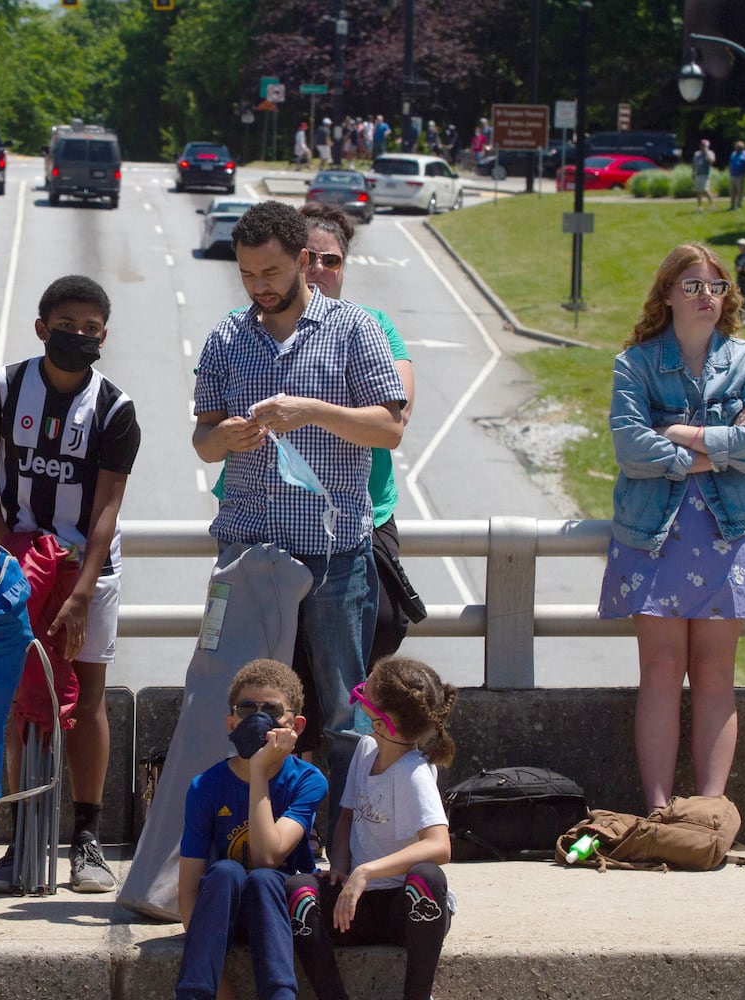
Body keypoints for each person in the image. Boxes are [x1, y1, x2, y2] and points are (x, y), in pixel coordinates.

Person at [192, 200, 406, 844]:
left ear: (305, 263)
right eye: (248, 274)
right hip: (248, 551)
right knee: (239, 708)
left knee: (343, 714)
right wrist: (226, 436)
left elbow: (390, 428)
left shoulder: (354, 329)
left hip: (335, 556)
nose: (260, 286)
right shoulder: (227, 337)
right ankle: (240, 840)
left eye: (273, 272)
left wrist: (311, 410)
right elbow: (201, 441)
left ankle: (342, 846)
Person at [0, 275, 141, 894]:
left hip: (91, 566)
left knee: (87, 695)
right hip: (22, 561)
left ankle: (86, 838)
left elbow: (106, 510)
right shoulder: (3, 388)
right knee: (21, 700)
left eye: (91, 330)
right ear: (41, 328)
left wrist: (82, 591)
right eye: (67, 326)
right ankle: (19, 837)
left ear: (104, 338)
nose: (78, 337)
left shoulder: (116, 410)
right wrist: (8, 541)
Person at [598, 242, 745, 811]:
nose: (707, 297)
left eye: (717, 287)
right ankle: (655, 810)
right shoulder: (636, 363)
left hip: (726, 534)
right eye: (694, 286)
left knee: (714, 670)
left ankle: (708, 811)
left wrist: (680, 435)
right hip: (655, 534)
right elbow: (630, 448)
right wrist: (717, 449)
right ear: (668, 294)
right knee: (662, 668)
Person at [287, 203, 422, 774]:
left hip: (359, 512)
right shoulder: (257, 328)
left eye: (332, 261)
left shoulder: (373, 328)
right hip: (280, 512)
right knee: (288, 645)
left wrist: (311, 409)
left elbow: (394, 416)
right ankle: (299, 769)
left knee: (384, 620)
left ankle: (334, 759)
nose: (320, 270)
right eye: (309, 259)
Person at [285, 656, 457, 1000]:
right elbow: (347, 816)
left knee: (428, 877)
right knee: (298, 891)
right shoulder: (366, 749)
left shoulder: (413, 772)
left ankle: (417, 995)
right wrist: (340, 866)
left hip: (404, 909)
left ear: (383, 721)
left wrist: (366, 871)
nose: (358, 702)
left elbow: (440, 846)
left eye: (365, 697)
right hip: (356, 903)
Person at [175, 658, 325, 1000]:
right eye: (247, 708)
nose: (258, 719)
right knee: (226, 871)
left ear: (296, 726)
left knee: (263, 878)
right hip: (222, 913)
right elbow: (187, 892)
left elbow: (267, 856)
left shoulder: (307, 780)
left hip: (281, 915)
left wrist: (259, 771)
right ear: (231, 722)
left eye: (271, 710)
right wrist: (223, 992)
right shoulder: (204, 787)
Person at [728, 140, 745, 211]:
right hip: (733, 175)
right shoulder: (733, 153)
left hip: (741, 176)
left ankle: (738, 205)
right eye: (736, 147)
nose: (736, 148)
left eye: (738, 147)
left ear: (742, 148)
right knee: (732, 191)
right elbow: (731, 162)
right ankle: (732, 205)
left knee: (740, 191)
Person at [693, 139, 715, 212]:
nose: (702, 147)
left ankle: (712, 205)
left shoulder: (710, 153)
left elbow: (712, 161)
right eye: (701, 145)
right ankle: (699, 207)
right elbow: (694, 164)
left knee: (706, 190)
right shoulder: (696, 154)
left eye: (704, 145)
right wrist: (693, 172)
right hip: (697, 174)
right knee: (698, 191)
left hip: (705, 174)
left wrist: (706, 153)